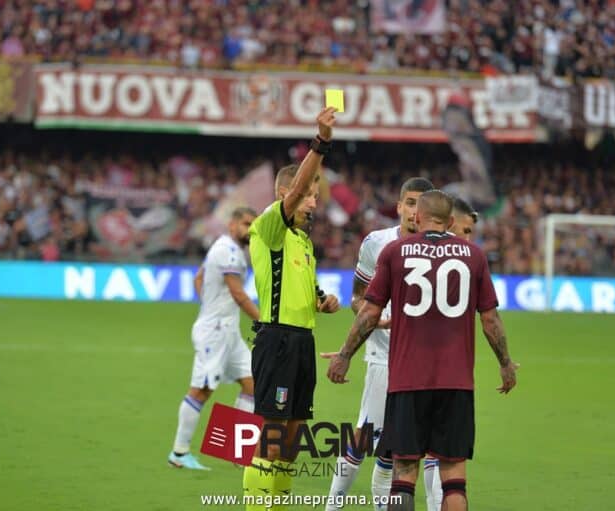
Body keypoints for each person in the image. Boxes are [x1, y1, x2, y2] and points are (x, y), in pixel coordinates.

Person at [327, 190, 519, 511]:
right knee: (454, 475)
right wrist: (505, 364)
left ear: (417, 217)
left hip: (406, 380)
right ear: (451, 221)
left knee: (403, 473)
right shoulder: (473, 255)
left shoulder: (395, 252)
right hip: (456, 382)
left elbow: (369, 311)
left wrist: (345, 355)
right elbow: (490, 318)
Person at [242, 108, 340, 510]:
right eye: (310, 194)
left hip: (302, 343)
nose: (314, 201)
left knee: (294, 436)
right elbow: (299, 187)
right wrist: (321, 143)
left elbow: (308, 291)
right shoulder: (270, 227)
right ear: (288, 194)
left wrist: (323, 302)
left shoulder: (302, 242)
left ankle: (276, 504)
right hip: (277, 341)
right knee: (273, 434)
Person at [323, 177, 440, 511]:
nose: (415, 210)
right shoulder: (376, 243)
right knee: (364, 436)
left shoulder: (441, 249)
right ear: (400, 206)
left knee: (417, 447)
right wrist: (377, 319)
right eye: (410, 202)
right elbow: (357, 299)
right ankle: (332, 505)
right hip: (384, 353)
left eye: (422, 203)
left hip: (425, 359)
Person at [167, 207, 260, 470]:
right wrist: (264, 322)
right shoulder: (229, 251)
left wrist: (209, 304)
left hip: (227, 329)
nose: (249, 229)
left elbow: (199, 278)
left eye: (253, 225)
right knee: (202, 390)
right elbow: (239, 295)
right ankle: (179, 452)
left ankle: (235, 452)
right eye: (245, 223)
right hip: (216, 332)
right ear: (232, 225)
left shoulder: (224, 248)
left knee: (253, 382)